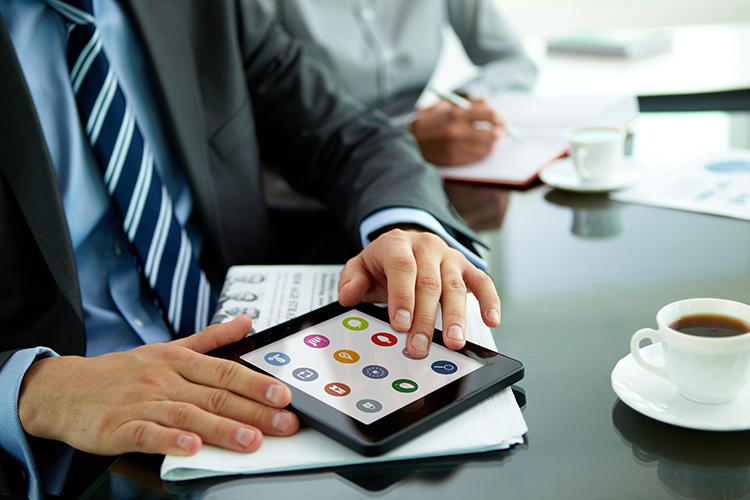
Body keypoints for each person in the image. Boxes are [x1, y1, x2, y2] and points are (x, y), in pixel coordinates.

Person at [0, 1, 501, 498]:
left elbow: (342, 131)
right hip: (72, 439)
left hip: (258, 352)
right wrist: (32, 389)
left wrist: (405, 225)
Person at [259, 0, 537, 167]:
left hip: (418, 175)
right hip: (309, 189)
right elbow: (268, 123)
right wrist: (404, 138)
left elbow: (515, 62)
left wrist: (461, 103)